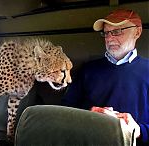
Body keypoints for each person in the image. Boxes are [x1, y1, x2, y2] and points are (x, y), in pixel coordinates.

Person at [62, 9, 149, 145]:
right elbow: (65, 110)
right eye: (106, 32)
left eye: (117, 31)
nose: (109, 38)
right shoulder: (88, 69)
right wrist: (89, 114)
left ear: (137, 32)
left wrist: (138, 130)